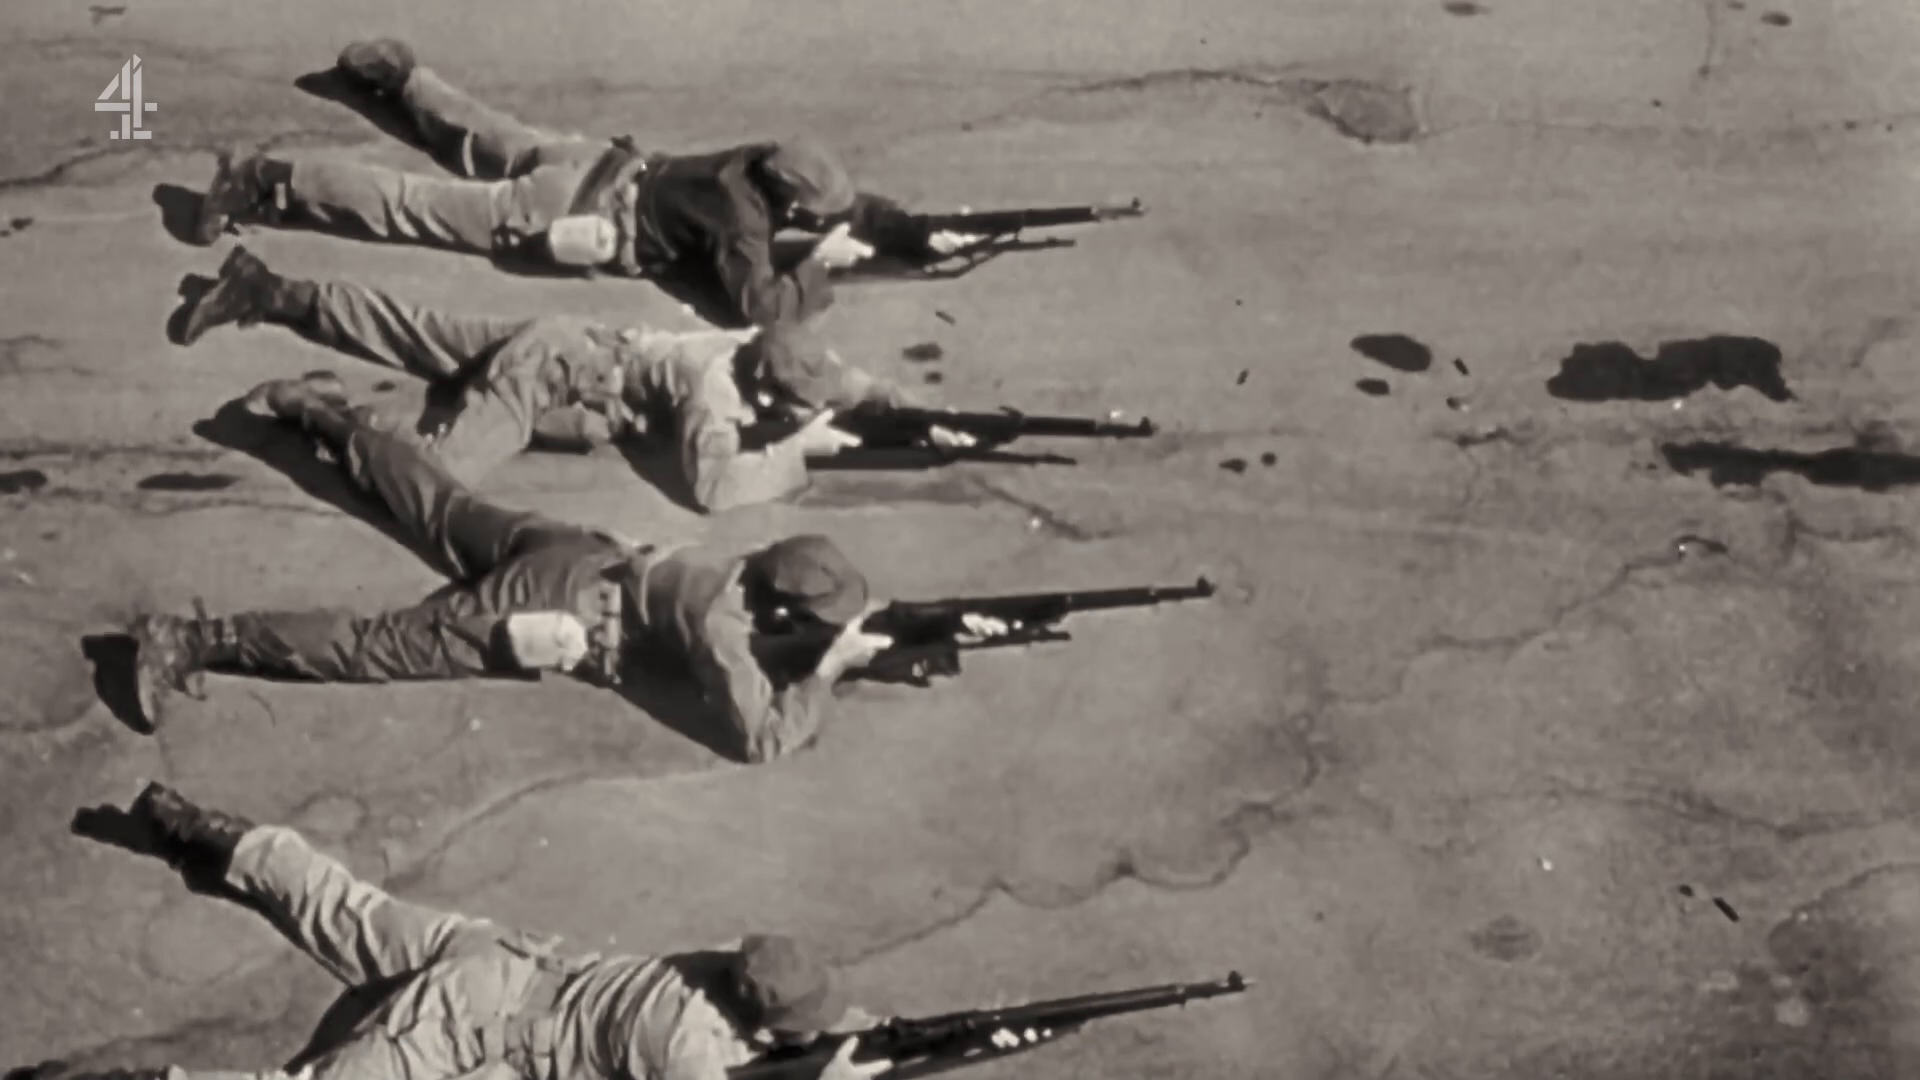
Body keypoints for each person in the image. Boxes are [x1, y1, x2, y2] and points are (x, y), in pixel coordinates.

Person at [125, 372, 900, 765]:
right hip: (546, 611)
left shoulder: (743, 574)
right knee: (376, 646)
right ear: (785, 609)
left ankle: (320, 414)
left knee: (441, 506)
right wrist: (826, 671)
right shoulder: (722, 627)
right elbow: (758, 739)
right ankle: (191, 640)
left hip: (578, 551)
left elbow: (763, 622)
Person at [11, 781, 891, 1080]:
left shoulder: (708, 968)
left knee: (340, 906)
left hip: (497, 959)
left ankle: (203, 831)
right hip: (467, 1033)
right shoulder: (685, 1053)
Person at [190, 40, 983, 328]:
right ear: (787, 205)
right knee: (413, 206)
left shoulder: (758, 159)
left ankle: (401, 78)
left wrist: (904, 227)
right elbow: (756, 308)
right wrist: (820, 269)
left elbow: (833, 199)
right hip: (561, 214)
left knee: (481, 129)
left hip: (597, 162)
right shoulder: (742, 224)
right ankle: (262, 180)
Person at [172, 247, 973, 511]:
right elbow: (712, 489)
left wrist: (913, 410)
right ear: (767, 395)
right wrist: (797, 455)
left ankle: (269, 288)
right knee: (434, 482)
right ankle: (321, 414)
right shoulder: (712, 392)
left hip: (568, 344)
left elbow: (848, 381)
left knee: (412, 331)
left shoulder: (768, 347)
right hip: (549, 375)